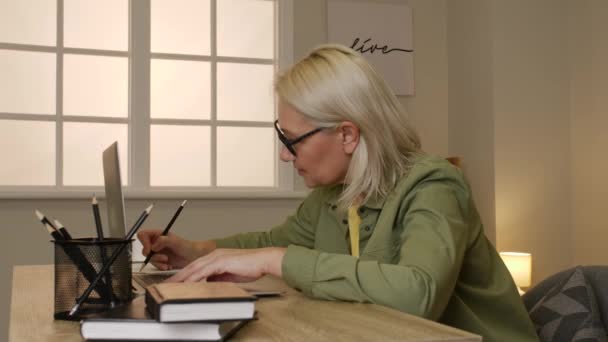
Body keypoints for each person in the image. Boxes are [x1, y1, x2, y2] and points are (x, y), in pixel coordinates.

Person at [138, 44, 539, 341]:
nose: (283, 154)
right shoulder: (333, 194)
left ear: (347, 134)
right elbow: (270, 242)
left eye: (291, 139)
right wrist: (195, 250)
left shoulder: (433, 185)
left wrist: (276, 260)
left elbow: (420, 292)